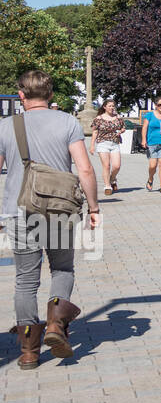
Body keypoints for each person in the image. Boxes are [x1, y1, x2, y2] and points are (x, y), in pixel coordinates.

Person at [0, 70, 100, 369]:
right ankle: (56, 325)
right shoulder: (68, 121)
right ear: (51, 94)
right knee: (62, 269)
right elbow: (84, 170)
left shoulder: (6, 126)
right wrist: (94, 208)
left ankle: (29, 351)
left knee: (26, 281)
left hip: (19, 213)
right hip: (59, 211)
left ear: (21, 95)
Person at [91, 99, 126, 195]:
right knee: (106, 166)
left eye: (113, 106)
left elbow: (123, 127)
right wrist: (92, 146)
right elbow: (94, 132)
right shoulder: (98, 118)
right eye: (109, 106)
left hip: (115, 143)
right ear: (105, 107)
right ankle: (107, 186)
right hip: (102, 143)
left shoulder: (118, 117)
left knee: (116, 166)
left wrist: (121, 131)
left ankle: (113, 178)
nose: (112, 107)